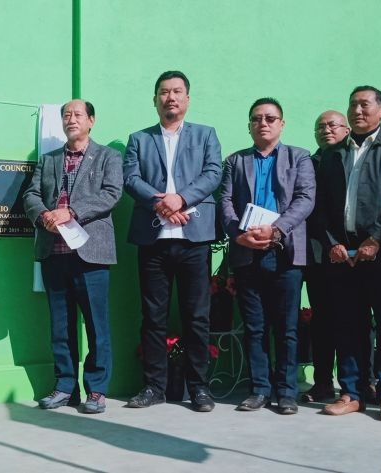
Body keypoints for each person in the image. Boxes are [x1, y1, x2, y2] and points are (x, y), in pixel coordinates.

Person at [314, 86, 381, 421]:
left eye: (365, 104)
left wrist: (377, 238)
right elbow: (320, 206)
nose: (357, 110)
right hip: (343, 255)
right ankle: (352, 391)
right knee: (348, 324)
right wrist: (331, 242)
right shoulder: (334, 154)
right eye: (353, 104)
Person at [123, 70, 222, 412]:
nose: (171, 98)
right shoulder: (139, 138)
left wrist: (180, 199)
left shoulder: (206, 135)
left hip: (193, 239)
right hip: (153, 239)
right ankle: (154, 387)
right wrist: (160, 202)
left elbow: (213, 173)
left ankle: (199, 388)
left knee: (197, 316)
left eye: (177, 92)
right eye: (164, 92)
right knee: (153, 316)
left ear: (187, 99)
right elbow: (130, 178)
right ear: (155, 100)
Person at [24, 99, 123, 414]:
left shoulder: (109, 156)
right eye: (66, 115)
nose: (71, 119)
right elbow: (31, 194)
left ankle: (97, 390)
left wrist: (72, 212)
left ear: (91, 121)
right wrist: (44, 216)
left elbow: (111, 194)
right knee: (60, 325)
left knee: (96, 325)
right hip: (55, 254)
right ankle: (65, 387)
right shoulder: (49, 159)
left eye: (77, 114)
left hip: (91, 255)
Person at [220, 98, 314, 415]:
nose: (264, 123)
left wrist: (275, 230)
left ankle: (287, 391)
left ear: (282, 124)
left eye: (270, 118)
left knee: (286, 328)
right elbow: (226, 202)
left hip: (284, 252)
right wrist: (238, 234)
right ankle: (259, 389)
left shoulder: (299, 157)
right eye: (257, 118)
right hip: (247, 252)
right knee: (254, 327)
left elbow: (305, 199)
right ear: (249, 125)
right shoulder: (235, 161)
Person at [300, 110, 352, 404]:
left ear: (346, 129)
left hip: (350, 254)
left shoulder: (354, 160)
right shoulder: (310, 162)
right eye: (320, 126)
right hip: (318, 255)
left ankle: (357, 383)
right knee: (321, 322)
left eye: (332, 125)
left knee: (352, 321)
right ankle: (322, 383)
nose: (326, 130)